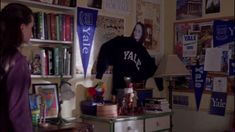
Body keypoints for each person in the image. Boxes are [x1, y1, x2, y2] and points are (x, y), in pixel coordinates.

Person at [95, 22, 157, 103]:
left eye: (139, 31)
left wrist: (159, 84)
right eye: (135, 30)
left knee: (132, 112)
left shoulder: (142, 51)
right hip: (118, 89)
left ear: (143, 34)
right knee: (120, 111)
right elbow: (105, 47)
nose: (136, 33)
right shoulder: (122, 41)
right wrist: (100, 72)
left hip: (133, 91)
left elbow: (153, 67)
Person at [0, 3, 34, 132]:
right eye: (31, 27)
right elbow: (18, 113)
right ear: (22, 28)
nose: (31, 32)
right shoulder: (17, 62)